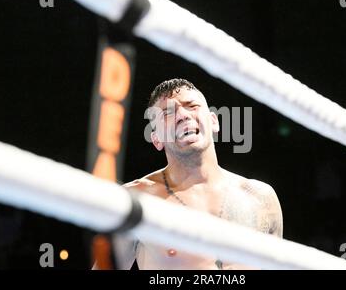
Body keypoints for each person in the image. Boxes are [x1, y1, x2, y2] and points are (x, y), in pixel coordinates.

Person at [112, 78, 283, 270]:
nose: (183, 115)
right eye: (168, 113)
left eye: (191, 106)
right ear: (157, 139)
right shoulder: (137, 199)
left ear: (213, 122)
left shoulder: (260, 198)